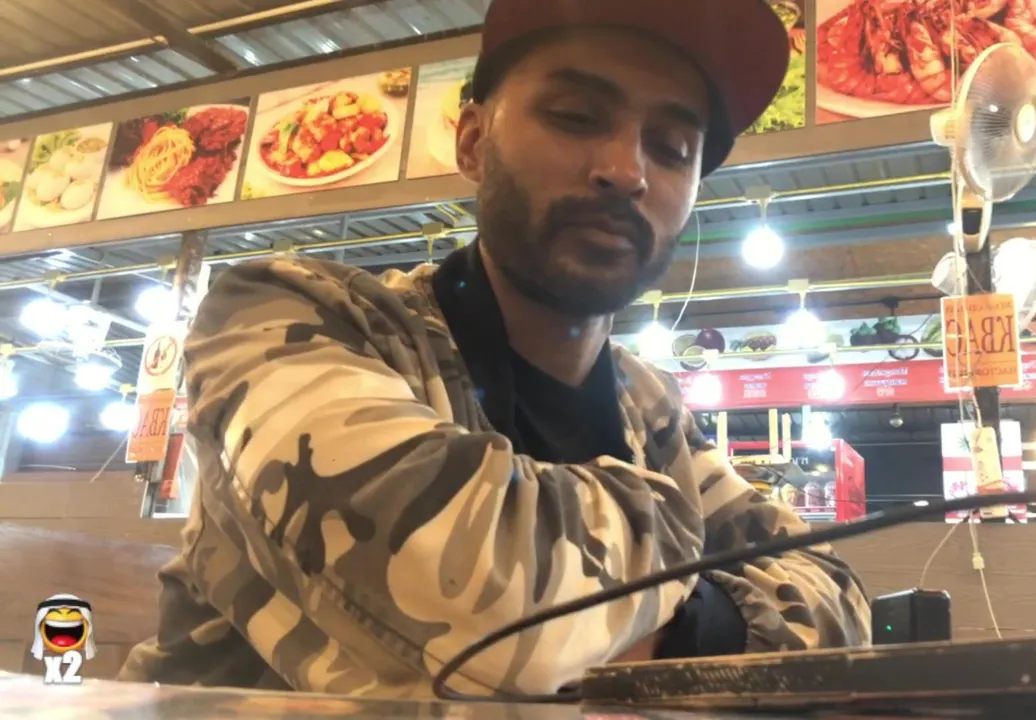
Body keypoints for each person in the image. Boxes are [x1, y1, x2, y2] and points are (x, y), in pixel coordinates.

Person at [119, 0, 871, 697]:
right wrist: (693, 588)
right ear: (474, 142)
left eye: (672, 148)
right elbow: (492, 614)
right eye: (576, 116)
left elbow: (839, 599)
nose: (627, 170)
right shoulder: (290, 318)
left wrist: (658, 624)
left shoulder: (649, 406)